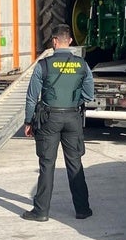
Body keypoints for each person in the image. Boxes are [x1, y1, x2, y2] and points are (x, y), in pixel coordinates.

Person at [22, 23, 94, 222]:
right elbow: (89, 94)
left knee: (47, 165)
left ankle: (41, 211)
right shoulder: (82, 65)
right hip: (72, 118)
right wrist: (73, 102)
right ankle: (82, 209)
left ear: (54, 41)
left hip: (48, 119)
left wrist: (28, 121)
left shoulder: (43, 65)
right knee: (75, 164)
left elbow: (31, 97)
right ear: (70, 41)